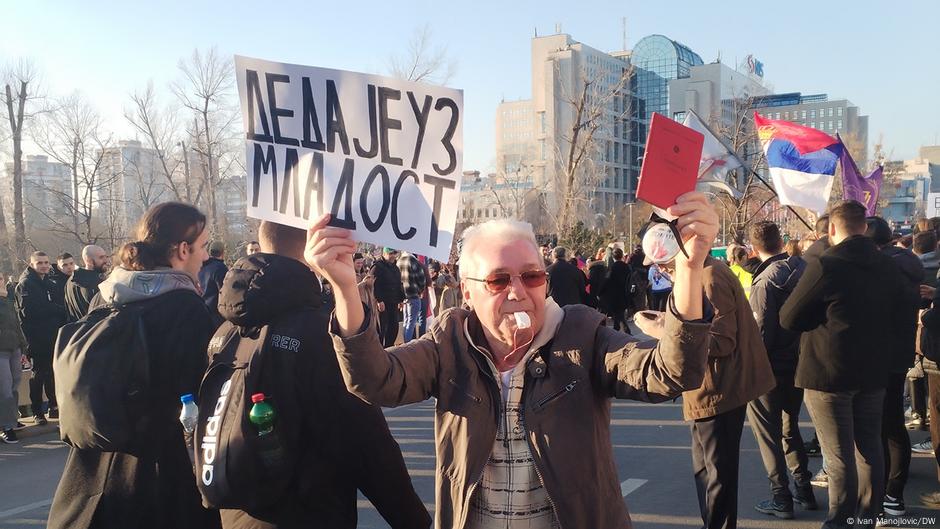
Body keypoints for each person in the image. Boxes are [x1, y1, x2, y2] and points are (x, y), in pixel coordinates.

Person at [306, 191, 719, 529]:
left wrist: (689, 268)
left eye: (532, 276)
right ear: (467, 293)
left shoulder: (582, 334)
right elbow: (375, 380)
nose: (518, 291)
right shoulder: (449, 342)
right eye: (498, 280)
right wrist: (345, 288)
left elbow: (671, 371)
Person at [213, 222, 430, 529]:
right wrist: (414, 521)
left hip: (236, 513)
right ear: (315, 248)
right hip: (308, 510)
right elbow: (369, 444)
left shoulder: (225, 330)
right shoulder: (321, 333)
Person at [47, 202, 220, 529]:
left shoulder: (106, 294)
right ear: (183, 249)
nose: (207, 256)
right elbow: (196, 395)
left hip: (89, 470)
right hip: (157, 471)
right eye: (204, 246)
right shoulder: (183, 306)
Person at [780, 200, 908, 529]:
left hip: (828, 371)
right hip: (874, 370)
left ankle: (840, 522)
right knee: (869, 450)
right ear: (864, 227)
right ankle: (868, 516)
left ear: (833, 229)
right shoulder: (887, 264)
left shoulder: (827, 264)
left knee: (838, 457)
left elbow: (789, 317)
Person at [642, 254, 775, 529]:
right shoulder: (702, 274)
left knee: (717, 474)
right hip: (709, 389)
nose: (662, 270)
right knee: (708, 471)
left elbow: (722, 341)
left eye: (664, 264)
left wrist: (665, 331)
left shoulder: (709, 276)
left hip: (719, 390)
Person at [746, 221, 816, 519]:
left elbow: (761, 333)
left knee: (769, 434)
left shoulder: (765, 283)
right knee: (790, 429)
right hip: (799, 362)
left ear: (754, 247)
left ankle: (781, 496)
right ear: (780, 241)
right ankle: (803, 488)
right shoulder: (803, 270)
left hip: (771, 367)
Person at [865, 216, 922, 516]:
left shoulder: (881, 267)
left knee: (882, 426)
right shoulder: (908, 262)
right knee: (892, 423)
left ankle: (888, 492)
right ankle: (893, 493)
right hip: (899, 352)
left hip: (879, 354)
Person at [15, 251, 68, 424]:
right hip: (36, 338)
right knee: (38, 375)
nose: (44, 265)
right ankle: (37, 411)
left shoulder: (48, 282)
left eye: (46, 262)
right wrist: (55, 309)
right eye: (40, 263)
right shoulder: (26, 284)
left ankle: (53, 407)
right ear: (32, 264)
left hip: (52, 335)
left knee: (52, 373)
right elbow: (29, 312)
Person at [0, 271, 27, 443]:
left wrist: (23, 346)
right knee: (5, 387)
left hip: (15, 347)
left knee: (15, 384)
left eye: (0, 278)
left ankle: (11, 419)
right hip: (1, 349)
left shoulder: (7, 298)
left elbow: (17, 324)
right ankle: (6, 426)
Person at [65, 245, 111, 321]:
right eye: (101, 257)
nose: (106, 260)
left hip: (78, 330)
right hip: (95, 330)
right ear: (89, 261)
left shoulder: (69, 282)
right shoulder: (99, 284)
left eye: (106, 256)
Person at [372, 248, 405, 347]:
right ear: (385, 254)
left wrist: (401, 299)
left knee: (394, 327)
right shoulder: (377, 266)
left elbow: (398, 283)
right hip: (383, 304)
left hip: (393, 302)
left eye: (395, 253)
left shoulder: (395, 268)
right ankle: (381, 349)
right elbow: (374, 285)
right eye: (391, 253)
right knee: (383, 328)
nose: (393, 256)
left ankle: (389, 347)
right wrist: (379, 299)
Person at [397, 251, 428, 343]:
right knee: (411, 322)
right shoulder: (413, 261)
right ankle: (407, 344)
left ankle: (404, 342)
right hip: (414, 294)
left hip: (403, 295)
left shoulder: (398, 261)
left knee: (406, 321)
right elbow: (421, 278)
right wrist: (421, 290)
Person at [199, 240, 229, 328]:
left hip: (202, 313)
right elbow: (225, 293)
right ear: (223, 252)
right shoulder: (220, 268)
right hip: (217, 316)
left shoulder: (200, 267)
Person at [599, 247, 630, 331]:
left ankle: (624, 330)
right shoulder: (627, 267)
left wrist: (600, 291)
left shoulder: (612, 268)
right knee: (619, 313)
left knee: (618, 313)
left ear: (613, 257)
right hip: (625, 293)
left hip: (614, 294)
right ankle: (619, 329)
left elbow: (607, 280)